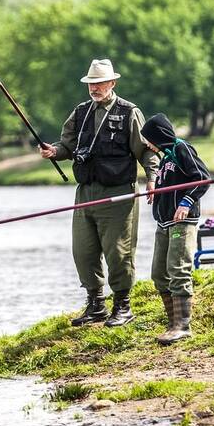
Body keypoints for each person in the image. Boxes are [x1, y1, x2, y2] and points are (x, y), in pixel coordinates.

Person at [40, 59, 159, 328]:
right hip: (85, 193)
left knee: (118, 252)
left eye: (100, 83)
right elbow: (66, 146)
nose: (95, 88)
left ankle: (123, 306)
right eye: (91, 84)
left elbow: (145, 150)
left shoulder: (129, 112)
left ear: (112, 83)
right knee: (83, 251)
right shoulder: (80, 112)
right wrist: (54, 151)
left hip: (119, 193)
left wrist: (153, 178)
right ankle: (96, 305)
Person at [139, 113, 210, 345]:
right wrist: (156, 190)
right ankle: (172, 323)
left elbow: (201, 178)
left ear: (157, 136)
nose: (147, 144)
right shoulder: (164, 158)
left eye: (148, 139)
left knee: (178, 269)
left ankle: (182, 326)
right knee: (159, 274)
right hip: (164, 222)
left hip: (182, 222)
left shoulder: (182, 149)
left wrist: (186, 202)